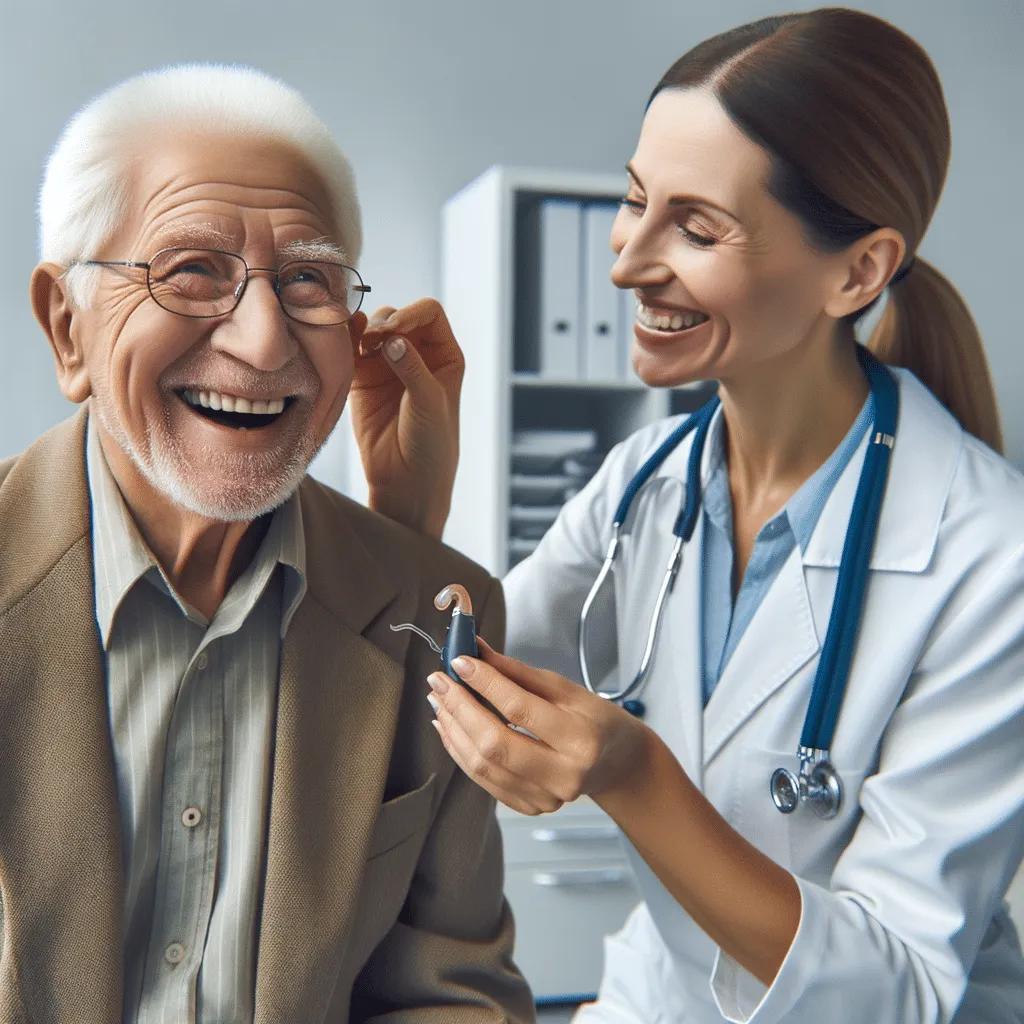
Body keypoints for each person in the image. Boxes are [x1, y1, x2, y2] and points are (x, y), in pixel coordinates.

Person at [352, 9, 1024, 1023]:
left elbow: (898, 989)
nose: (624, 262)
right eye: (634, 201)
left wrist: (632, 774)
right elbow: (449, 686)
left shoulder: (987, 553)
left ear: (857, 272)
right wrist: (408, 506)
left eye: (697, 227)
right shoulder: (645, 481)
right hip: (659, 998)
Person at [0, 63, 535, 1023]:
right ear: (67, 328)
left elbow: (448, 992)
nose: (262, 341)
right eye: (192, 269)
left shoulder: (438, 607)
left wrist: (400, 550)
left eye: (307, 280)